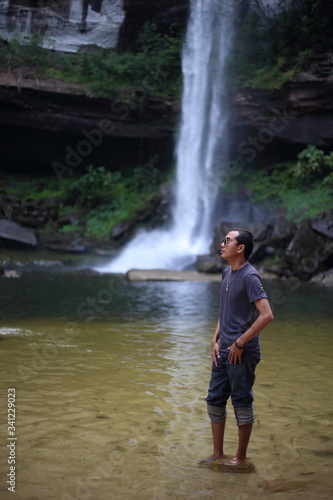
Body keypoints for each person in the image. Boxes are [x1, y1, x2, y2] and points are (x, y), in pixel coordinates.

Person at [200, 228, 274, 467]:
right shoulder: (226, 273)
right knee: (214, 399)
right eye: (223, 240)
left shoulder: (250, 277)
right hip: (223, 350)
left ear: (240, 248)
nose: (222, 244)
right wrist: (215, 339)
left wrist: (240, 342)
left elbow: (267, 315)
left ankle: (240, 458)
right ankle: (217, 453)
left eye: (227, 241)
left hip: (242, 352)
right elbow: (225, 311)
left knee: (241, 402)